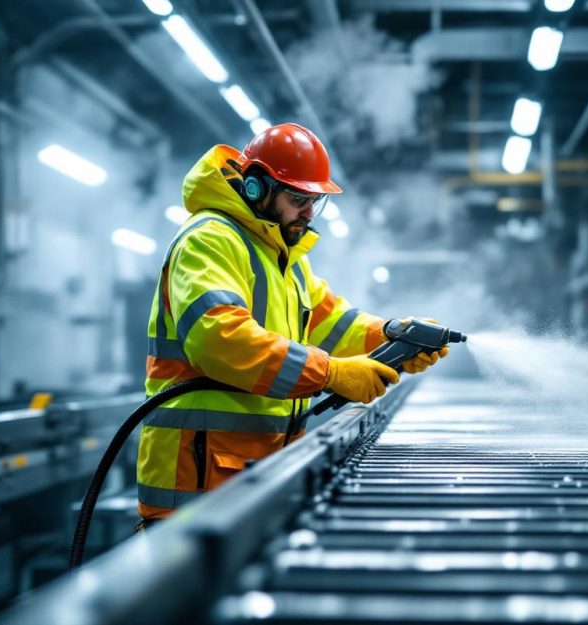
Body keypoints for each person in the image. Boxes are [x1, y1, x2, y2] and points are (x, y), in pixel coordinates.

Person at [136, 123, 447, 522]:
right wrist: (331, 373)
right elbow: (221, 340)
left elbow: (333, 321)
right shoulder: (210, 240)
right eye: (298, 198)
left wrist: (391, 335)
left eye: (314, 200)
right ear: (256, 188)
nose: (308, 212)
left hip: (258, 473)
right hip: (196, 482)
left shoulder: (283, 257)